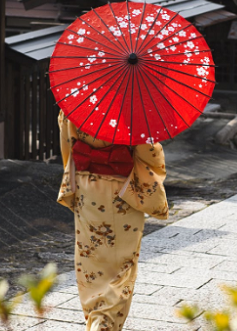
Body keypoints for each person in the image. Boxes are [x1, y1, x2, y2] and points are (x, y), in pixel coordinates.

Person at [57, 112, 169, 331]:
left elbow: (67, 142)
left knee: (90, 261)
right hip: (123, 191)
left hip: (87, 188)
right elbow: (149, 151)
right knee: (122, 266)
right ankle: (104, 324)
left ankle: (94, 318)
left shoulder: (75, 100)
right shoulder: (132, 107)